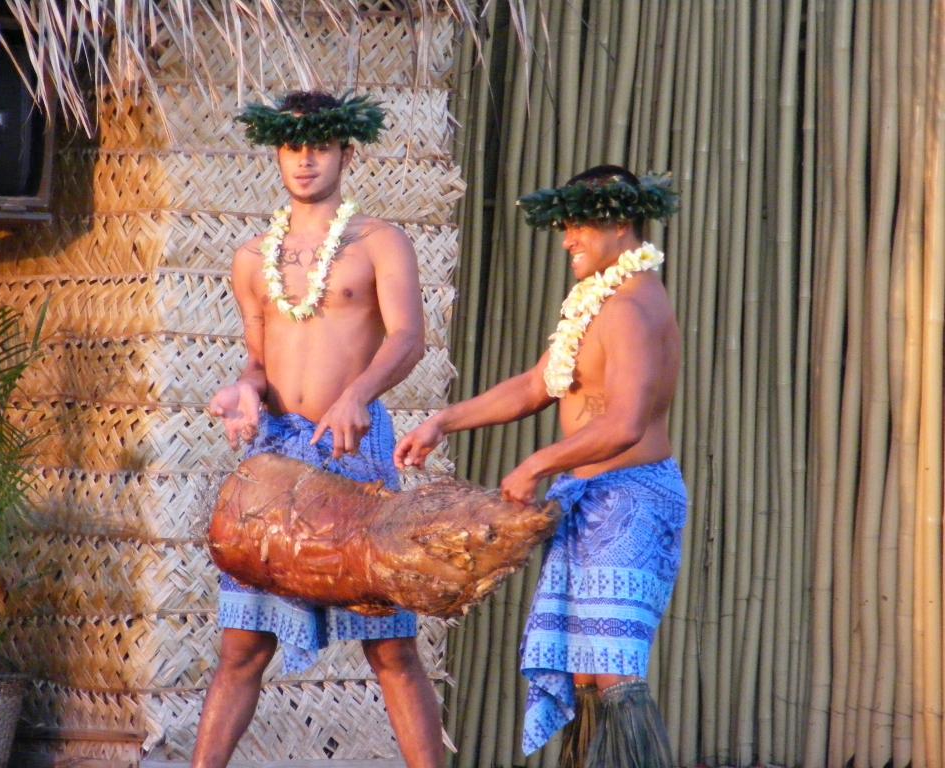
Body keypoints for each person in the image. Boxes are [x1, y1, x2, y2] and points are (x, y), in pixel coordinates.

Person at [395, 165, 686, 767]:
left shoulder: (631, 307)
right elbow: (536, 385)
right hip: (592, 496)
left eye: (579, 225)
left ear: (621, 223)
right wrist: (444, 421)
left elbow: (625, 422)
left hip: (631, 498)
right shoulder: (597, 301)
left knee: (612, 670)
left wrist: (538, 463)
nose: (567, 239)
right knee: (585, 673)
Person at [193, 90, 443, 768]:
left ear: (346, 153)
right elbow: (257, 360)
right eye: (292, 146)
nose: (305, 160)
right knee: (243, 645)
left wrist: (357, 394)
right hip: (276, 456)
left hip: (352, 448)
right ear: (277, 153)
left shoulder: (380, 241)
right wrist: (245, 392)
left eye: (321, 146)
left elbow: (409, 337)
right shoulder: (252, 258)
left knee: (390, 644)